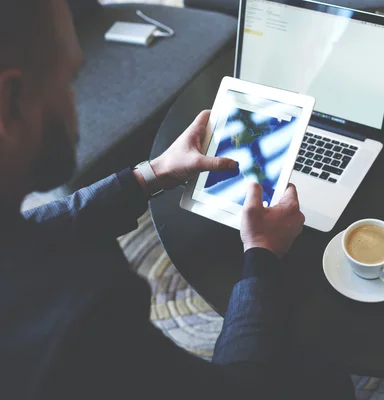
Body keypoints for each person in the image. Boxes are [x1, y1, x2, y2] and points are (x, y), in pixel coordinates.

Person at [0, 1, 355, 399]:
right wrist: (261, 253)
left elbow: (32, 228)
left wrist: (151, 174)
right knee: (323, 377)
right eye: (70, 80)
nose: (74, 104)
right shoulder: (79, 318)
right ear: (11, 101)